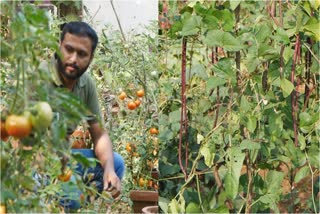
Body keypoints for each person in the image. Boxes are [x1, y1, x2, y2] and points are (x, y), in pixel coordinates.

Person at [39, 21, 125, 210]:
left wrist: (109, 171)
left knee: (116, 164)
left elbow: (99, 134)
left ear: (91, 57)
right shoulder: (39, 78)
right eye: (68, 49)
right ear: (59, 46)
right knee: (71, 197)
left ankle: (66, 203)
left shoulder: (85, 85)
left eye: (82, 54)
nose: (73, 59)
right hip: (34, 165)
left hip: (63, 161)